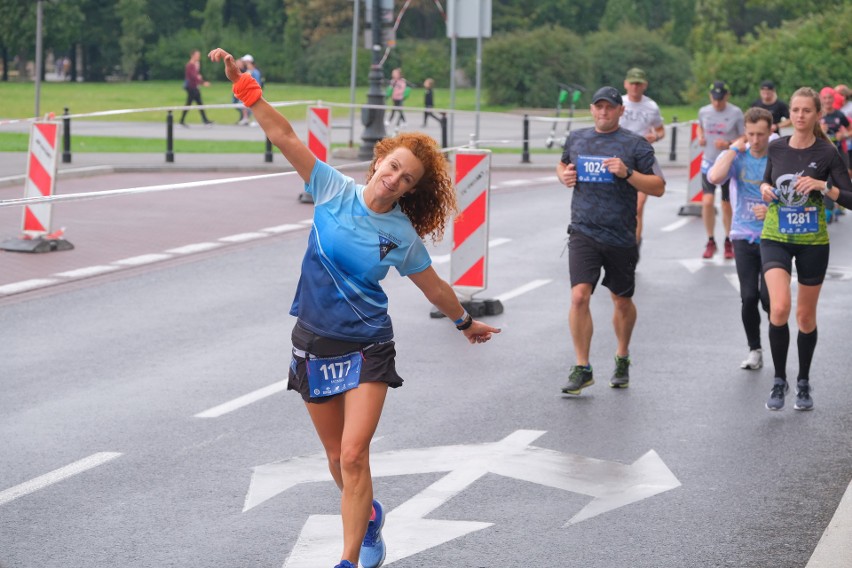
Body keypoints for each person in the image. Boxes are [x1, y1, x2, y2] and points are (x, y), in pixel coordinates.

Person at [207, 47, 500, 568]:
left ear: (411, 189)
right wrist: (246, 87)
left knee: (353, 454)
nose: (395, 180)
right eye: (393, 167)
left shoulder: (401, 234)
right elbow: (284, 136)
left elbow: (432, 286)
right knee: (334, 461)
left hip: (368, 344)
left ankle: (350, 558)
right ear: (379, 160)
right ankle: (368, 516)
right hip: (314, 339)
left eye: (407, 179)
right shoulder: (329, 188)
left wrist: (464, 321)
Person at [556, 86, 666, 394]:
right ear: (592, 109)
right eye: (598, 106)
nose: (603, 112)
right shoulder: (577, 138)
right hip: (583, 231)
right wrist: (562, 175)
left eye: (610, 107)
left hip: (619, 235)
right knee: (579, 296)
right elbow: (563, 163)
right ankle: (582, 366)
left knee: (621, 300)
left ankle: (622, 355)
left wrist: (627, 172)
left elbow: (658, 186)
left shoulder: (635, 144)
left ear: (620, 111)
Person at [758, 87, 852, 411]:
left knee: (805, 316)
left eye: (806, 111)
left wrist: (824, 187)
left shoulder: (828, 153)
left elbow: (850, 198)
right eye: (795, 110)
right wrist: (766, 188)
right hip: (776, 237)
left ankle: (803, 382)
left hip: (813, 242)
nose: (799, 116)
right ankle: (779, 380)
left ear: (817, 115)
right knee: (780, 308)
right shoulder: (776, 147)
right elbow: (766, 181)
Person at [707, 108, 773, 370]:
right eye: (751, 134)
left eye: (761, 134)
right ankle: (754, 349)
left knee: (770, 300)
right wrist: (734, 149)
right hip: (742, 233)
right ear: (744, 133)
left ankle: (778, 344)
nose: (755, 140)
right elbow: (714, 177)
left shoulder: (778, 156)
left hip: (773, 235)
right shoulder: (737, 156)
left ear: (770, 133)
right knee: (748, 297)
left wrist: (773, 210)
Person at [697, 81, 745, 259]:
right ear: (710, 97)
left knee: (726, 204)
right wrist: (701, 137)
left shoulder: (735, 112)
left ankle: (728, 240)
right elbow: (700, 127)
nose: (717, 103)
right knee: (707, 201)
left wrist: (727, 144)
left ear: (727, 96)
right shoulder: (704, 111)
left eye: (720, 99)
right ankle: (710, 240)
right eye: (714, 99)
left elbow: (743, 137)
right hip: (708, 161)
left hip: (727, 163)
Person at [619, 67, 665, 248]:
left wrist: (656, 136)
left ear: (644, 85)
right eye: (632, 83)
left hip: (641, 159)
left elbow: (661, 129)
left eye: (639, 84)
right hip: (620, 157)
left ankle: (634, 245)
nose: (635, 87)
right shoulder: (618, 103)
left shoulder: (651, 106)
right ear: (625, 84)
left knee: (638, 206)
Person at [179, 49, 213, 127]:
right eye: (197, 55)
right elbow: (193, 77)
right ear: (192, 55)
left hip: (194, 87)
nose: (198, 57)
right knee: (192, 103)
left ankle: (204, 120)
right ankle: (204, 120)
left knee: (198, 103)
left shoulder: (194, 65)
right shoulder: (190, 65)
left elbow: (196, 76)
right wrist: (203, 82)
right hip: (191, 87)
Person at [241, 54, 263, 126]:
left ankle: (256, 120)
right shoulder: (247, 71)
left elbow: (257, 82)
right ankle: (245, 119)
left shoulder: (255, 72)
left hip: (254, 92)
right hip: (247, 92)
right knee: (244, 105)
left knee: (254, 107)